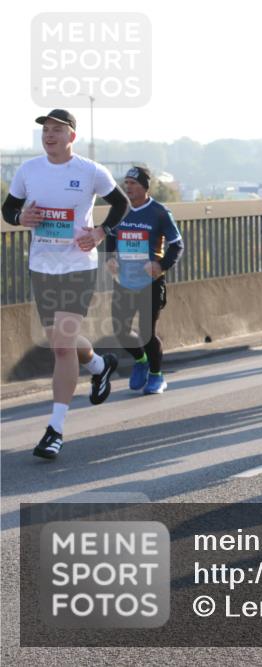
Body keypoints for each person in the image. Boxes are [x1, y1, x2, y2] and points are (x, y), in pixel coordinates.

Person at [1, 109, 129, 459]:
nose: (50, 135)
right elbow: (8, 209)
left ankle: (55, 430)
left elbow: (122, 203)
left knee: (61, 346)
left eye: (58, 130)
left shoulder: (90, 171)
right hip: (42, 266)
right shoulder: (29, 170)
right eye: (46, 130)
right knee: (60, 339)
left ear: (71, 136)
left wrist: (102, 231)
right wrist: (19, 217)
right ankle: (100, 366)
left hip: (78, 266)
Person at [105, 166, 184, 395]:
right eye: (126, 183)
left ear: (145, 187)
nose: (127, 187)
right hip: (124, 280)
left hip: (150, 282)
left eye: (133, 183)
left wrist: (161, 265)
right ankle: (141, 359)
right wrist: (110, 258)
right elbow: (110, 234)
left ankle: (157, 376)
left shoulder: (159, 212)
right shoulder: (120, 210)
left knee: (146, 332)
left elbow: (177, 245)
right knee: (120, 330)